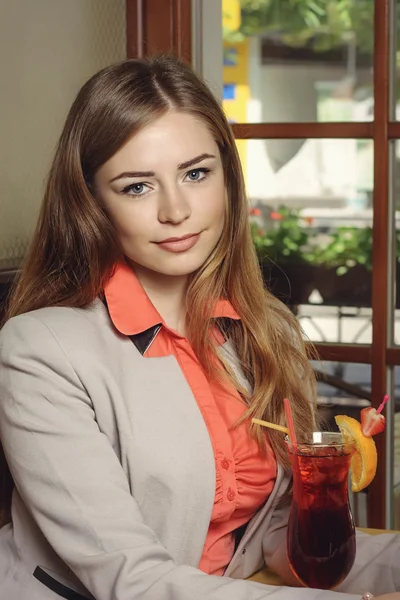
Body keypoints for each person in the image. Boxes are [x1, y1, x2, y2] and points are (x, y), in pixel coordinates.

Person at [0, 55, 398, 600]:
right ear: (92, 203)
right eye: (137, 187)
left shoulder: (265, 329)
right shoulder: (39, 353)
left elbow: (277, 538)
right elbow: (131, 579)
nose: (177, 210)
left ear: (227, 177)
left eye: (196, 173)